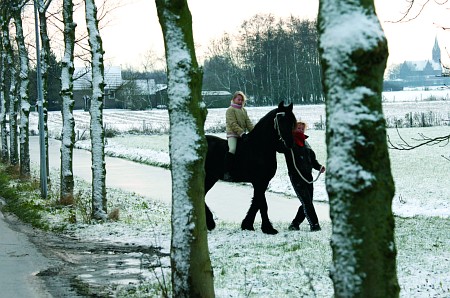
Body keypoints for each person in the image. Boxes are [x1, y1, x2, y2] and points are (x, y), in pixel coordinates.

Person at [284, 121, 325, 232]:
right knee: (306, 202)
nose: (300, 130)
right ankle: (315, 225)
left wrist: (319, 167)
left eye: (302, 129)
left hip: (308, 177)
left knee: (308, 202)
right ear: (293, 129)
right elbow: (279, 147)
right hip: (296, 176)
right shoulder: (289, 143)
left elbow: (312, 160)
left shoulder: (306, 144)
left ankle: (295, 223)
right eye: (298, 128)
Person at [224, 91, 254, 181]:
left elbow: (248, 123)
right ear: (234, 99)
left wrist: (254, 132)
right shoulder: (230, 110)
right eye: (238, 99)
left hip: (242, 135)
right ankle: (226, 172)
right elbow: (233, 123)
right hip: (233, 134)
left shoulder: (244, 110)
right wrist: (242, 133)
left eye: (242, 100)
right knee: (232, 149)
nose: (240, 101)